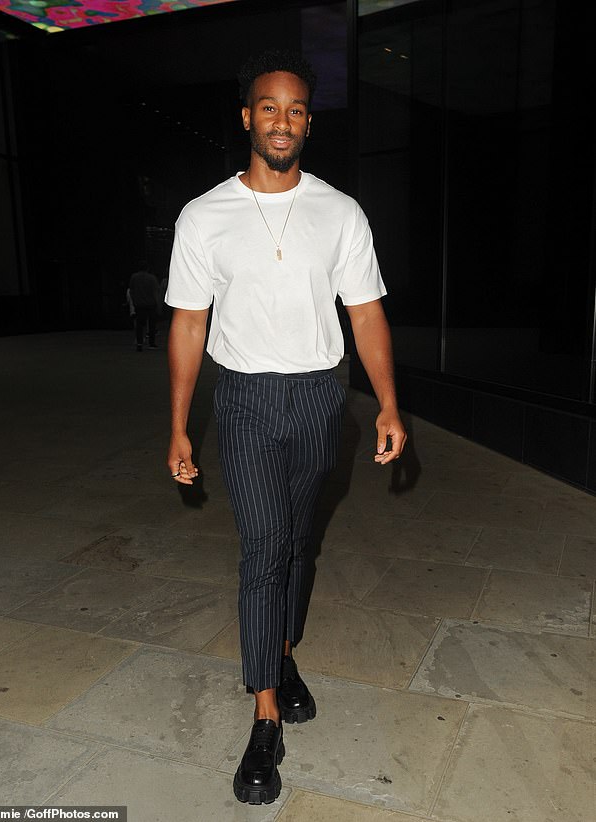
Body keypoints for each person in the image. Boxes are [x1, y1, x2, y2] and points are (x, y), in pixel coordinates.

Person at [165, 50, 406, 805]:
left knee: (301, 542)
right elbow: (187, 324)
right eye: (268, 106)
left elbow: (365, 312)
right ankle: (264, 712)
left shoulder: (341, 212)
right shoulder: (204, 215)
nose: (282, 120)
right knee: (264, 548)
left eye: (296, 109)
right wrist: (178, 425)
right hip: (242, 400)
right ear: (247, 116)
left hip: (320, 399)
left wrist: (389, 403)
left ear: (308, 123)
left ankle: (283, 650)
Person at [128, 261, 160, 351]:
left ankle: (139, 342)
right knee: (151, 324)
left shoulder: (134, 277)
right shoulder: (152, 278)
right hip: (150, 303)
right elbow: (155, 291)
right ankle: (151, 342)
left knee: (139, 325)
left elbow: (131, 290)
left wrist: (134, 301)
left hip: (139, 303)